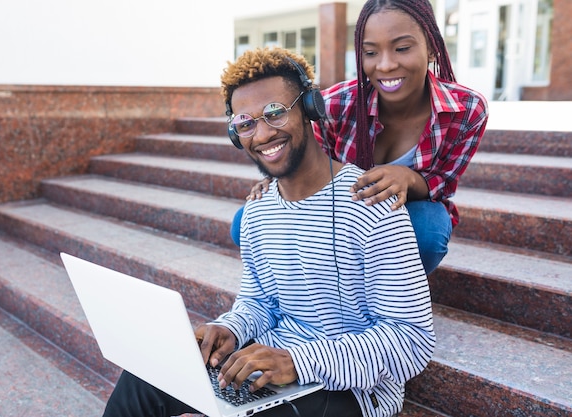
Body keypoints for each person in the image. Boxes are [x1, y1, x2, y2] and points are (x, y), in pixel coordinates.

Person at [102, 47, 435, 417]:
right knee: (145, 377)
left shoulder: (371, 203)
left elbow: (412, 340)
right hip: (269, 371)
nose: (262, 134)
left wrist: (296, 361)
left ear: (308, 108)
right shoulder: (257, 212)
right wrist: (229, 329)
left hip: (354, 393)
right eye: (245, 123)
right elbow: (259, 303)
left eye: (274, 113)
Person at [232, 0, 489, 275]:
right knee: (243, 223)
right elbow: (305, 160)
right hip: (340, 208)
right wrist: (275, 180)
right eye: (370, 52)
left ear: (432, 49)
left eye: (402, 48)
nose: (386, 65)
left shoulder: (466, 110)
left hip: (407, 208)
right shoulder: (335, 104)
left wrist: (407, 178)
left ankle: (391, 290)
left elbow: (443, 182)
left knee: (427, 232)